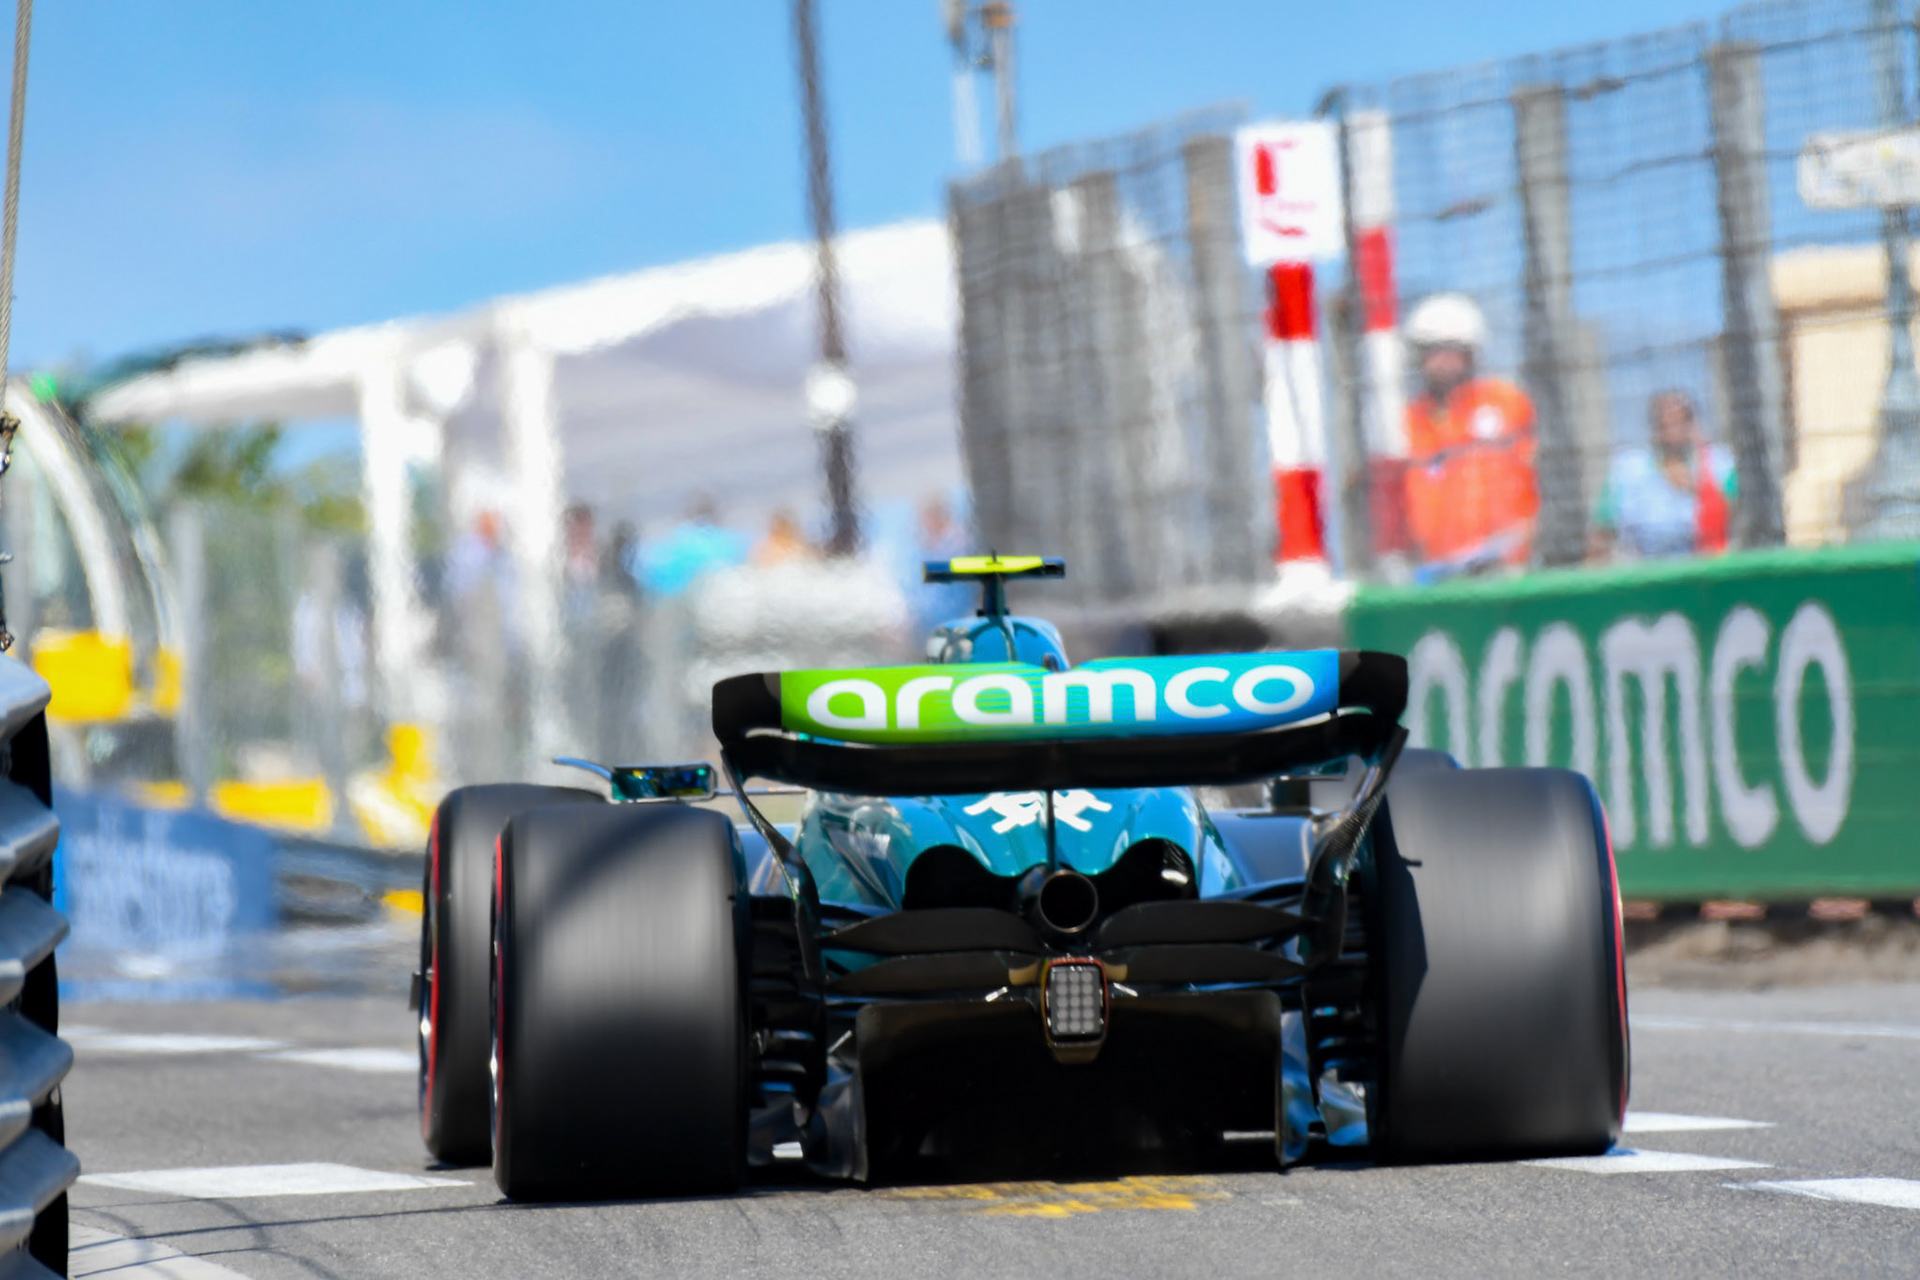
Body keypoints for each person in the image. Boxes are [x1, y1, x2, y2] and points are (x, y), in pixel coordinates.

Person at [1400, 294, 1539, 582]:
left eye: (1453, 350)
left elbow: (1536, 474)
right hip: (1434, 573)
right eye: (1432, 351)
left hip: (1504, 567)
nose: (1443, 360)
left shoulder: (1505, 402)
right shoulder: (1409, 421)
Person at [1592, 390, 1734, 560]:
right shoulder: (1627, 470)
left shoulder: (1720, 465)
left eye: (1679, 423)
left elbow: (1736, 521)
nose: (1671, 433)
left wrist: (1699, 485)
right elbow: (1601, 535)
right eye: (1664, 425)